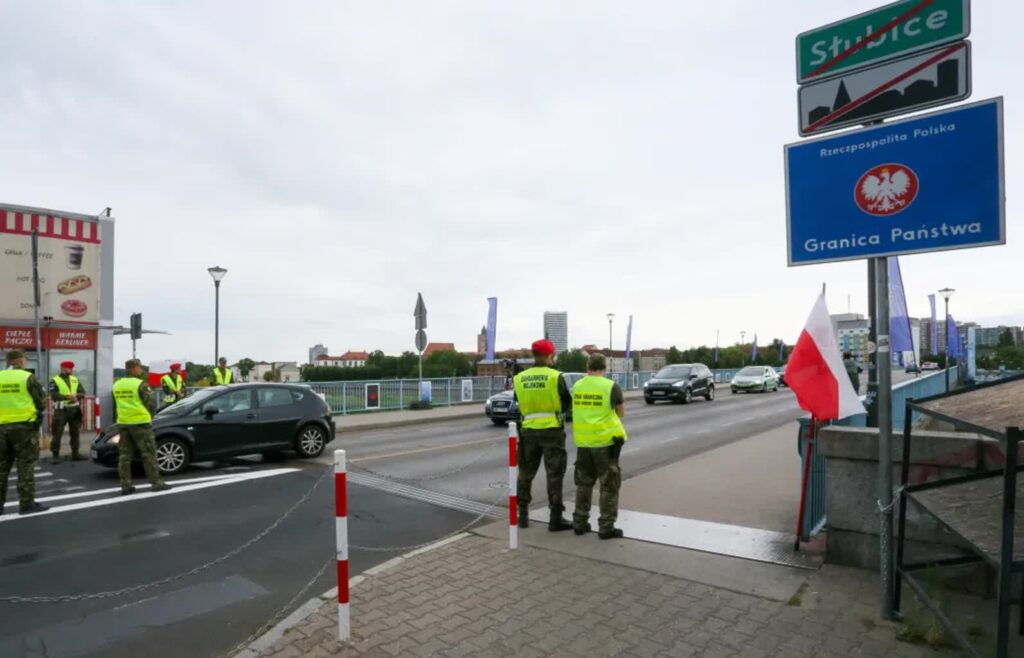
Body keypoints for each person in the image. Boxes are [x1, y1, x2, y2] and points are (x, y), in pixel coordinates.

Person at [512, 339, 572, 532]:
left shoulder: (520, 378)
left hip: (528, 430)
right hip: (552, 431)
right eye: (552, 355)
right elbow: (566, 403)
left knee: (525, 473)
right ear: (548, 356)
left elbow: (517, 400)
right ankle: (555, 518)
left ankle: (523, 515)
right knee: (554, 474)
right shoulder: (556, 377)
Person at [571, 353, 627, 539]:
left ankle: (579, 522)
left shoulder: (577, 386)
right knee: (608, 485)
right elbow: (621, 413)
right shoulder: (611, 386)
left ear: (588, 367)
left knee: (584, 483)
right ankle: (606, 527)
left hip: (583, 443)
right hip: (605, 443)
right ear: (605, 368)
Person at [0, 350, 49, 515]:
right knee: (26, 466)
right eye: (25, 359)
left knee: (1, 468)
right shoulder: (28, 377)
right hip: (24, 429)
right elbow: (42, 402)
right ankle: (26, 504)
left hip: (1, 428)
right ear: (20, 360)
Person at [114, 359, 171, 495]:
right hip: (140, 423)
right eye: (140, 367)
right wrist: (150, 417)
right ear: (134, 368)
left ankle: (125, 486)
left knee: (124, 456)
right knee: (148, 454)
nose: (141, 370)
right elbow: (151, 404)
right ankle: (156, 483)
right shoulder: (140, 384)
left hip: (124, 422)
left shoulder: (117, 384)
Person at [50, 360, 86, 463]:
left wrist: (77, 396)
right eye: (69, 368)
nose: (71, 370)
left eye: (71, 368)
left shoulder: (75, 379)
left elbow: (82, 392)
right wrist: (67, 397)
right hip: (61, 410)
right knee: (57, 433)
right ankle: (55, 455)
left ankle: (76, 454)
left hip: (74, 409)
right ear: (63, 368)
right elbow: (54, 395)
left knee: (75, 432)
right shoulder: (54, 380)